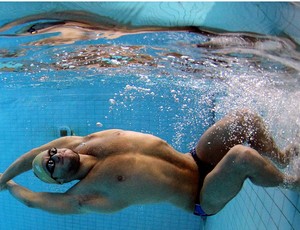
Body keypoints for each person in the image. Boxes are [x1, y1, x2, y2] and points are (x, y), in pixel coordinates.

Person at [0, 109, 299, 217]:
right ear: (61, 182)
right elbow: (33, 202)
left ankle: (283, 157)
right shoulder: (87, 196)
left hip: (195, 159)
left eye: (51, 154)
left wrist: (2, 176)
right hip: (200, 196)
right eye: (51, 167)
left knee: (244, 118)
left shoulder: (87, 141)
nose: (55, 157)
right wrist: (9, 185)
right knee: (240, 157)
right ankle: (290, 181)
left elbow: (34, 155)